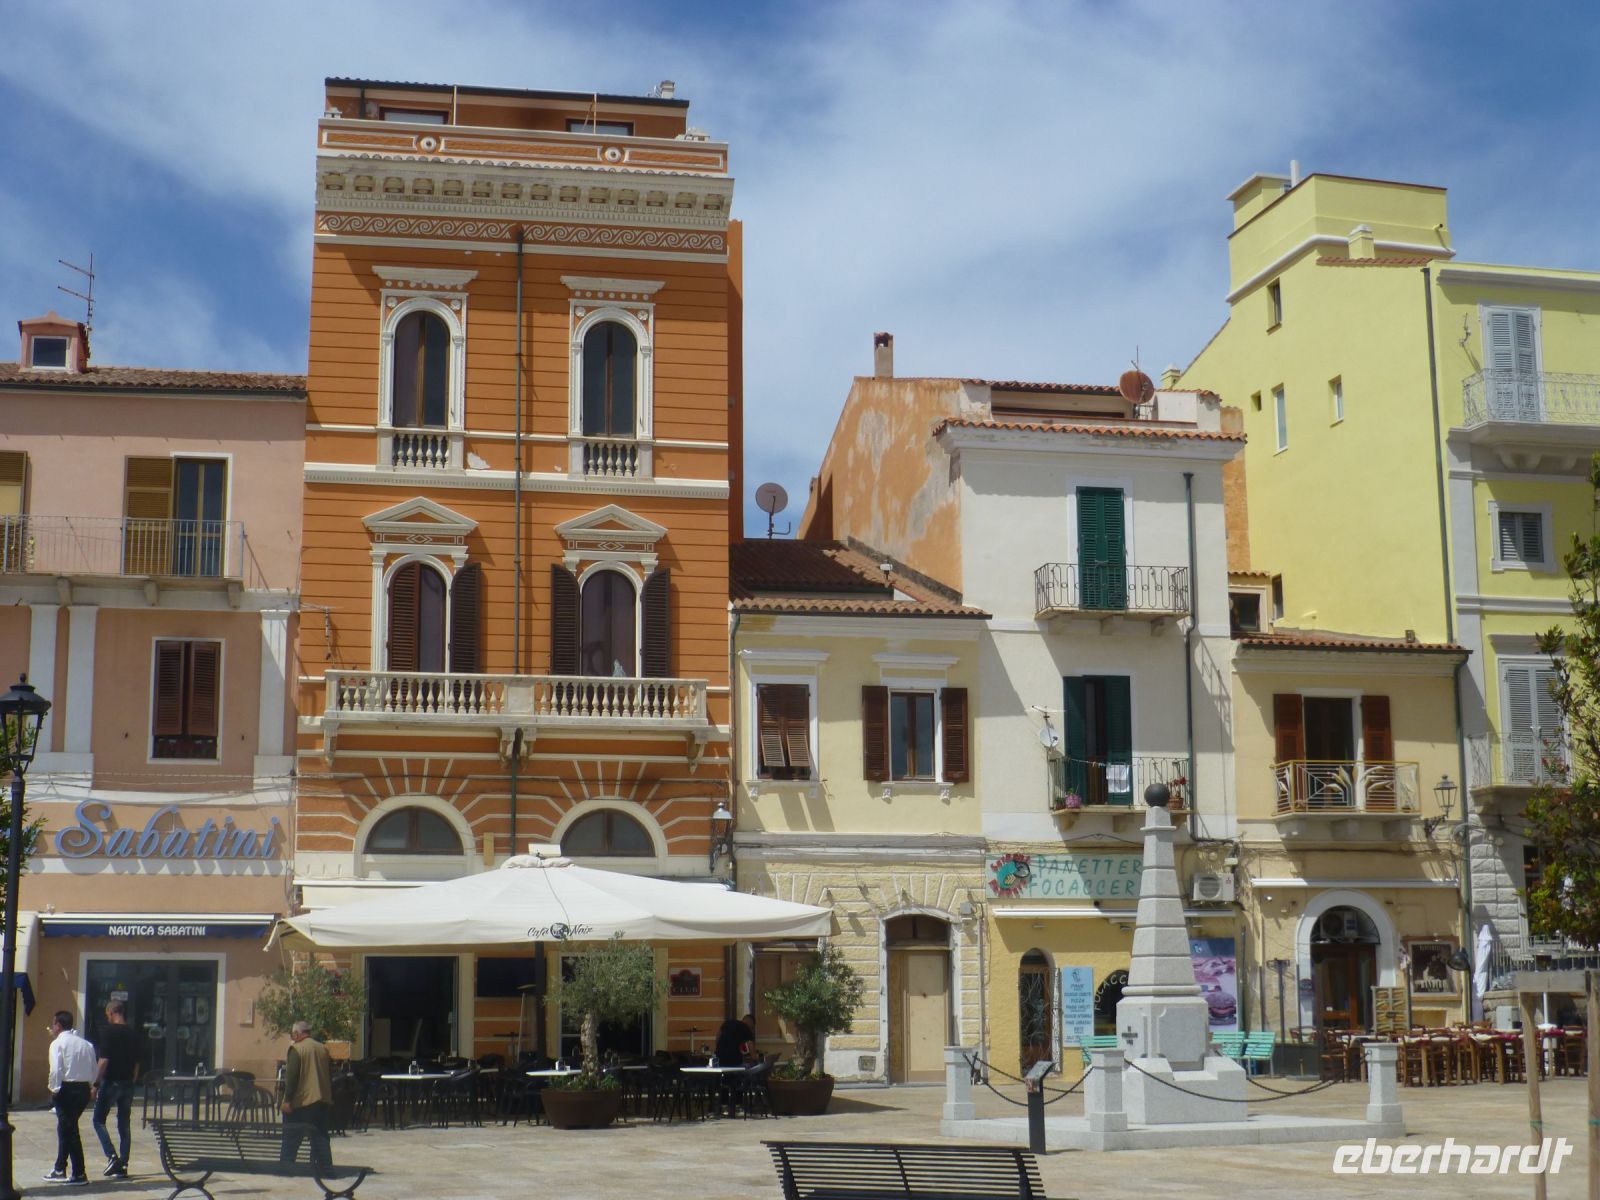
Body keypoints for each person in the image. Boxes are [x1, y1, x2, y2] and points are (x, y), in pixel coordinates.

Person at [91, 999, 142, 1179]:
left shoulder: (108, 1032)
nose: (107, 1017)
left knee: (98, 1120)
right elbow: (137, 1064)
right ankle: (124, 1164)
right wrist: (132, 1081)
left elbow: (103, 1061)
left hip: (111, 1082)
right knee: (124, 1123)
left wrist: (95, 1083)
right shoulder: (134, 1033)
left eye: (107, 1014)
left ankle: (112, 1156)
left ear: (111, 1012)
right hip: (128, 1082)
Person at [44, 1010, 96, 1186]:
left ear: (58, 1025)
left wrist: (54, 1089)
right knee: (65, 1127)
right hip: (82, 1090)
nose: (52, 1027)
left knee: (70, 1130)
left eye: (53, 1024)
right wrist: (90, 1085)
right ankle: (60, 1167)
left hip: (66, 1089)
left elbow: (56, 1069)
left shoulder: (57, 1044)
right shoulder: (86, 1044)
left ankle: (79, 1172)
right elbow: (93, 1069)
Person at [280, 1021, 333, 1170]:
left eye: (292, 1034)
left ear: (297, 1033)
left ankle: (286, 1167)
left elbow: (292, 1078)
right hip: (322, 1100)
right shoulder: (323, 1048)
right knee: (321, 1137)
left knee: (291, 1138)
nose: (292, 1037)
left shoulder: (297, 1049)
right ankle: (326, 1168)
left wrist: (287, 1100)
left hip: (302, 1102)